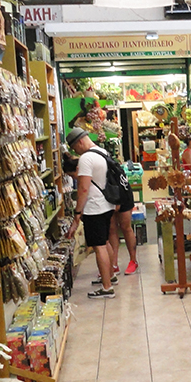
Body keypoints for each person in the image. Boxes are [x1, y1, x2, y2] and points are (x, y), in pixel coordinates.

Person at [66, 127, 117, 299]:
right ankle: (110, 276)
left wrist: (77, 212)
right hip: (107, 204)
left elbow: (83, 188)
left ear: (80, 142)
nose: (76, 152)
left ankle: (107, 287)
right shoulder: (102, 152)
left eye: (75, 148)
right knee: (105, 242)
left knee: (99, 246)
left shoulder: (86, 158)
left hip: (94, 208)